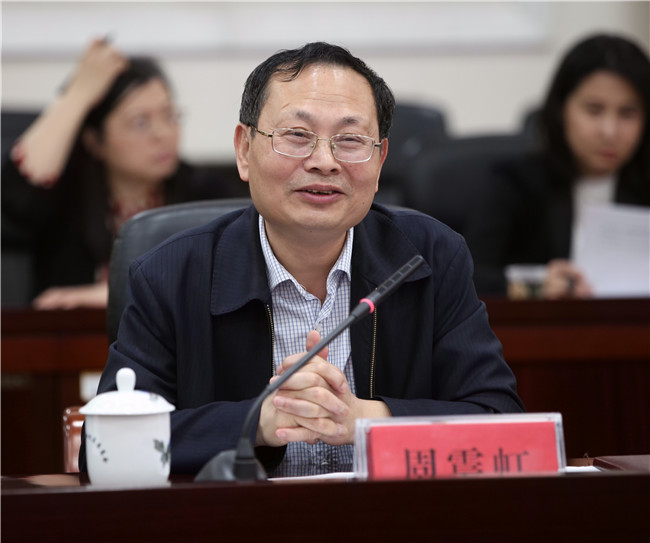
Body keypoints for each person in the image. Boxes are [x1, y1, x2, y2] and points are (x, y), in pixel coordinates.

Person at [82, 42, 524, 477]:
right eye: (297, 136)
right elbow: (107, 447)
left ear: (380, 160)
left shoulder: (430, 257)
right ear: (244, 150)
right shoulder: (170, 275)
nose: (324, 161)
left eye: (350, 140)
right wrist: (258, 422)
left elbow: (501, 420)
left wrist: (365, 419)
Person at [1, 39, 237, 309]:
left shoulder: (205, 194)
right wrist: (78, 94)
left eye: (169, 115)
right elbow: (15, 198)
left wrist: (102, 296)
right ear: (95, 141)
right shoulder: (68, 200)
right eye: (141, 122)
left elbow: (226, 279)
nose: (163, 133)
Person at [467, 34, 650, 298]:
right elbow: (468, 277)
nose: (610, 131)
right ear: (561, 109)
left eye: (627, 113)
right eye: (594, 110)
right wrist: (536, 286)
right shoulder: (516, 182)